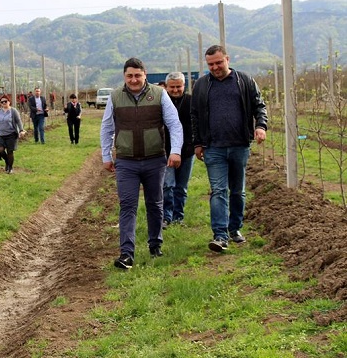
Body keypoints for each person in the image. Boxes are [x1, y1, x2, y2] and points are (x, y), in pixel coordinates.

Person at [101, 57, 183, 269]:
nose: (134, 80)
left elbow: (174, 124)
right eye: (129, 76)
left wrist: (175, 151)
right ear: (124, 76)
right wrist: (106, 155)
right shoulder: (115, 97)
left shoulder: (159, 94)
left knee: (154, 203)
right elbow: (107, 128)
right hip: (126, 162)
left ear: (145, 75)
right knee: (127, 205)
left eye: (138, 75)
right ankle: (127, 253)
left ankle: (155, 244)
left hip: (155, 159)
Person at [191, 45, 268, 253]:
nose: (215, 67)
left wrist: (261, 126)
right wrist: (197, 143)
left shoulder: (244, 81)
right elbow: (195, 117)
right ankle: (220, 235)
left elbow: (259, 106)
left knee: (237, 191)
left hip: (239, 145)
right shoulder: (201, 85)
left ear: (227, 59)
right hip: (213, 147)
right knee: (218, 190)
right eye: (210, 64)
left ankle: (235, 228)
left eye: (218, 62)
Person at [162, 71, 195, 228]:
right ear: (166, 87)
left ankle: (178, 217)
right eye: (172, 87)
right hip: (165, 151)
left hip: (187, 151)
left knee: (181, 186)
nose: (175, 90)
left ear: (184, 86)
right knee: (167, 185)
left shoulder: (191, 102)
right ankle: (166, 217)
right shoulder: (161, 102)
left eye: (178, 86)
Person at [0, 95, 26, 173]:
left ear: (9, 102)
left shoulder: (13, 111)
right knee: (0, 149)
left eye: (5, 101)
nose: (4, 103)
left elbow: (18, 121)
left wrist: (21, 130)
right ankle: (7, 161)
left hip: (11, 134)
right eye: (2, 102)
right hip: (1, 135)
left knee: (10, 151)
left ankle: (10, 168)